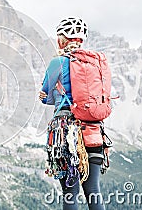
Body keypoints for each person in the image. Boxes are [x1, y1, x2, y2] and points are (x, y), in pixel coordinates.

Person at [39, 17, 105, 210]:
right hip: (93, 129)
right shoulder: (94, 65)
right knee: (93, 189)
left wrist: (47, 96)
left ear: (62, 39)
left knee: (70, 192)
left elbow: (45, 95)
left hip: (65, 130)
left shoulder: (57, 63)